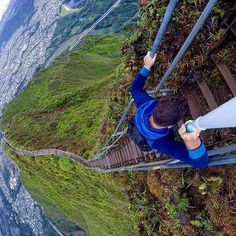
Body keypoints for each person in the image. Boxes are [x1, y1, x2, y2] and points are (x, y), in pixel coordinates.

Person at [130, 52, 208, 168]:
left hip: (137, 124)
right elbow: (201, 164)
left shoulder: (146, 105)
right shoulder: (161, 144)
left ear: (157, 106)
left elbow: (135, 88)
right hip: (147, 141)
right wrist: (192, 142)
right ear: (170, 126)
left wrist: (147, 66)